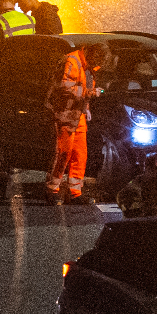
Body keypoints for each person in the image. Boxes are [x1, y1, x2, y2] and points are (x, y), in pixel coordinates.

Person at [45, 42, 113, 200]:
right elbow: (65, 87)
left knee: (80, 154)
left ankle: (75, 193)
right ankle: (51, 189)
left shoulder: (86, 65)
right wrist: (89, 93)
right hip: (65, 113)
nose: (99, 65)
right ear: (93, 54)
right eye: (99, 60)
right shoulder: (72, 61)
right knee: (63, 153)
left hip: (77, 113)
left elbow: (83, 84)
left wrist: (86, 107)